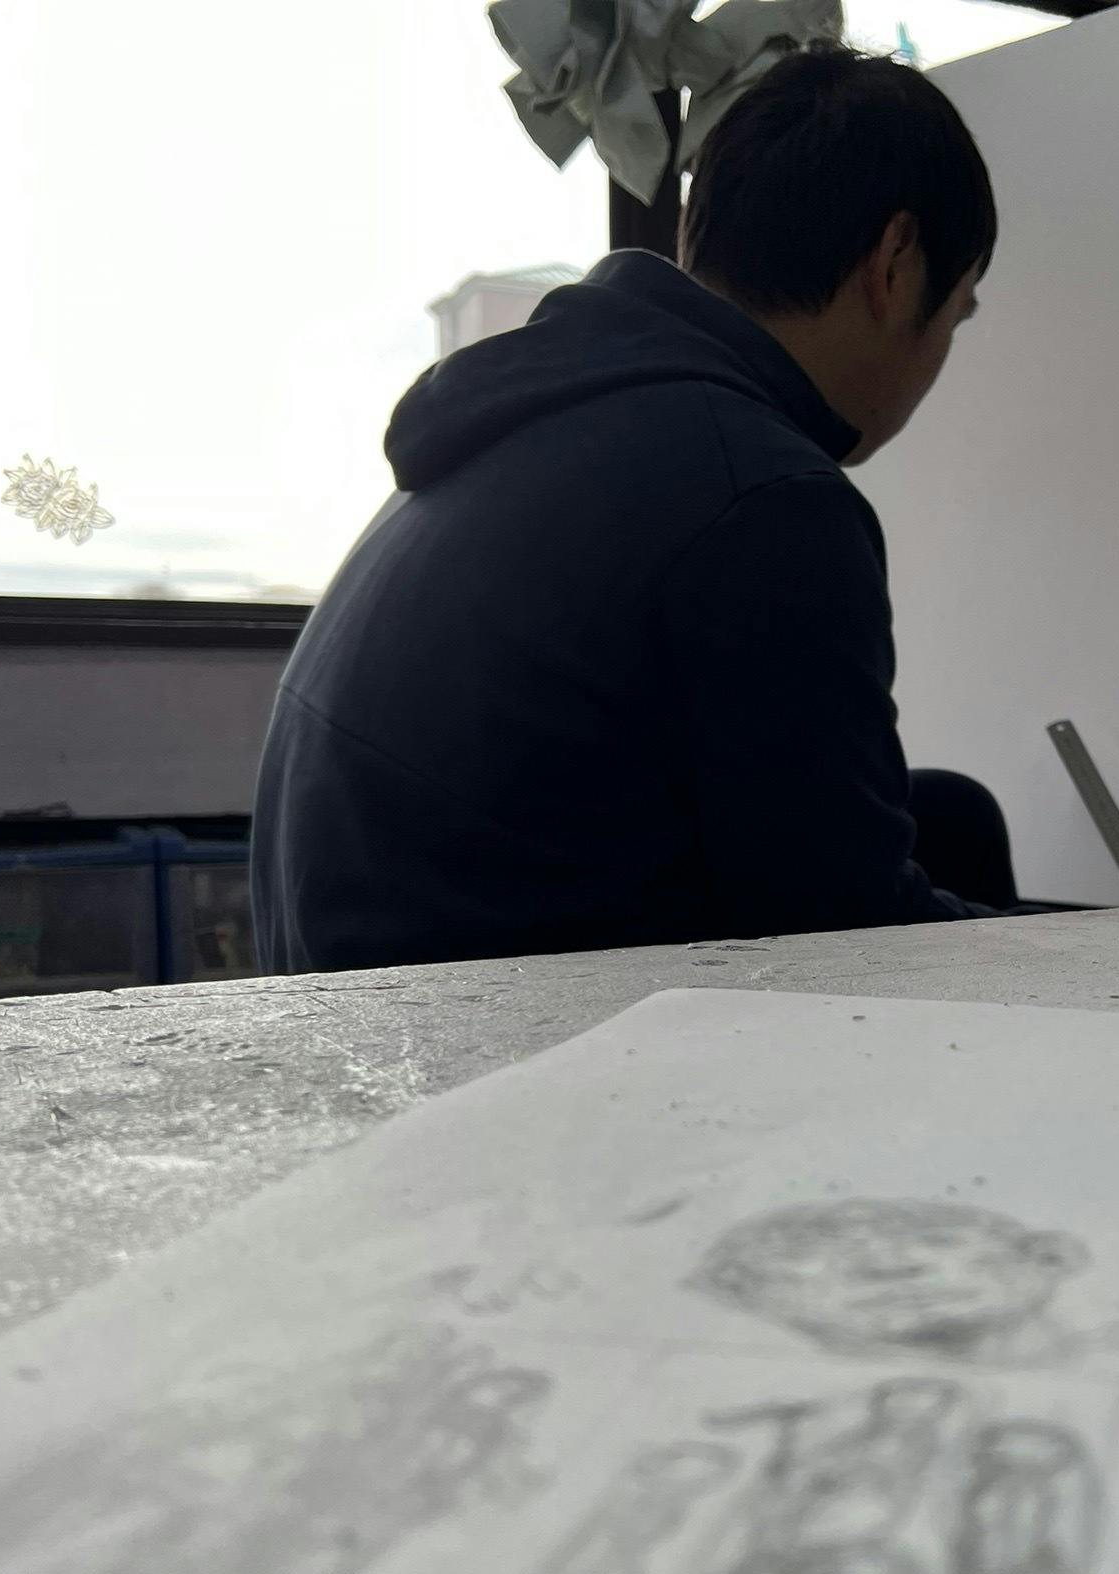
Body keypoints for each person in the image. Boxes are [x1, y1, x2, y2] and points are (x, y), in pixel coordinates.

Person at [252, 48, 1023, 972]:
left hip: (362, 979)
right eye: (956, 314)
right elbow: (849, 930)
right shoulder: (765, 497)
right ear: (895, 265)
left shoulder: (541, 410)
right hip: (496, 1028)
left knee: (949, 818)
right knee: (993, 925)